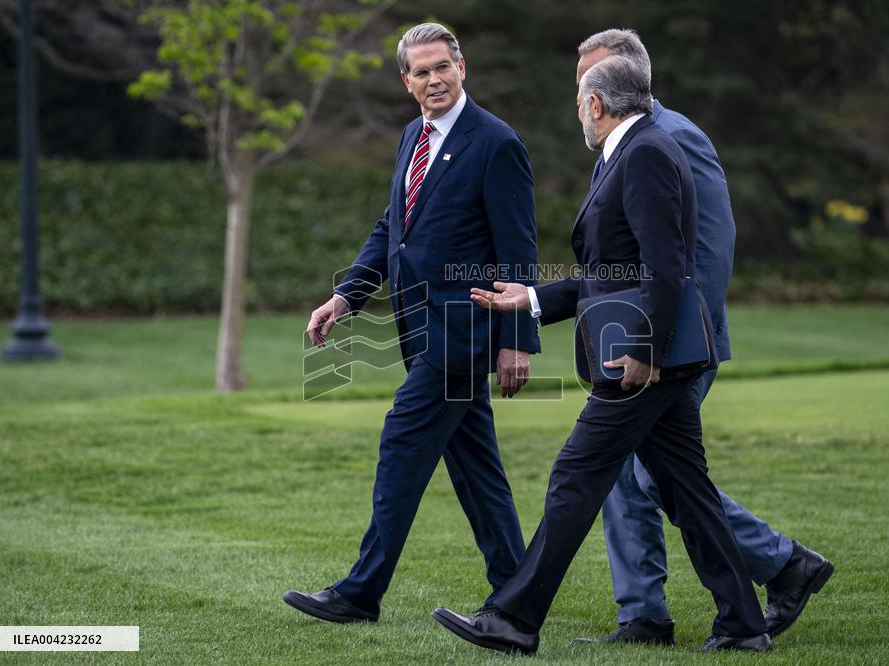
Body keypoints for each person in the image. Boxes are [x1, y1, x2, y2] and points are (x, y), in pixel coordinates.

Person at [432, 55, 771, 654]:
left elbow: (666, 267)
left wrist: (645, 350)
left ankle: (512, 619)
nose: (579, 115)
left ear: (596, 104)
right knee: (688, 490)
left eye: (579, 104)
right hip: (653, 356)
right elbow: (611, 271)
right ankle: (743, 625)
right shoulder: (636, 148)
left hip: (638, 362)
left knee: (573, 476)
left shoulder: (643, 153)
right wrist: (533, 298)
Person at [573, 29, 834, 646]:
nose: (580, 95)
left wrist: (667, 345)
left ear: (619, 80)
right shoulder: (621, 141)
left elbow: (705, 251)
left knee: (655, 475)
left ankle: (781, 564)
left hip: (677, 346)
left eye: (587, 81)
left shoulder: (671, 137)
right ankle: (643, 615)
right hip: (641, 337)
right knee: (627, 472)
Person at [283, 22, 540, 625]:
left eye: (441, 67)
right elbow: (390, 232)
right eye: (420, 72)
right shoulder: (411, 137)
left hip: (462, 335)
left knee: (402, 442)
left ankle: (359, 593)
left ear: (462, 68)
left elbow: (519, 250)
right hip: (418, 331)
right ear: (406, 81)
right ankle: (518, 591)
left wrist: (517, 342)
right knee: (477, 468)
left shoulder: (496, 143)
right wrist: (346, 296)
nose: (433, 80)